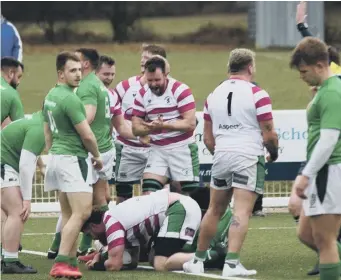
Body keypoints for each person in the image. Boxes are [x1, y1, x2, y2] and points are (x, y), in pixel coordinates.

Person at [183, 48, 278, 277]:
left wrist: (221, 151)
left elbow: (207, 138)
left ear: (229, 68)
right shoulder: (258, 94)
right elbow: (269, 134)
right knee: (242, 211)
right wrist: (273, 154)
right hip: (247, 155)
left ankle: (197, 260)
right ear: (250, 67)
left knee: (215, 209)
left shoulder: (213, 95)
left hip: (222, 156)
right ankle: (232, 264)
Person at [43, 51, 103, 279]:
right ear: (61, 73)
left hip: (57, 157)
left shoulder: (51, 95)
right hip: (72, 158)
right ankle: (60, 263)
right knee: (82, 212)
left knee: (69, 213)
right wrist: (96, 156)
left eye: (80, 69)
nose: (78, 74)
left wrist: (51, 152)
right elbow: (87, 135)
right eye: (72, 70)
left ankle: (68, 262)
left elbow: (46, 129)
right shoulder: (70, 98)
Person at [290, 37, 341, 280]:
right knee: (306, 234)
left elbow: (329, 139)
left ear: (320, 65)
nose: (302, 77)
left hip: (330, 171)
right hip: (321, 172)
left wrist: (306, 174)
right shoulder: (324, 92)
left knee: (324, 239)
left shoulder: (332, 93)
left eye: (304, 71)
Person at [80, 189, 201, 272]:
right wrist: (100, 256)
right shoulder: (114, 217)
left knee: (160, 263)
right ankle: (200, 256)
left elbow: (114, 265)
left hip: (177, 208)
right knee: (153, 257)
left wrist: (96, 264)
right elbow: (132, 261)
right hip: (179, 207)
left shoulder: (112, 224)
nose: (93, 237)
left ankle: (208, 256)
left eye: (89, 233)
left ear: (93, 226)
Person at [132, 56, 199, 195]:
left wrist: (164, 126)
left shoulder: (180, 90)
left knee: (189, 196)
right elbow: (136, 128)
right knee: (148, 194)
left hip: (182, 148)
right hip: (157, 149)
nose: (153, 84)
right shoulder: (142, 93)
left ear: (165, 74)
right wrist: (150, 128)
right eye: (150, 80)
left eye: (157, 80)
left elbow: (190, 123)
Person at [113, 44, 167, 203]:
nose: (142, 62)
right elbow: (115, 116)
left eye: (147, 59)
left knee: (152, 195)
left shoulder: (170, 88)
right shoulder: (124, 87)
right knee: (123, 196)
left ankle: (152, 226)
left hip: (155, 150)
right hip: (128, 149)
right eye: (142, 58)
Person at [1, 111, 46, 274]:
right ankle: (10, 261)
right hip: (4, 165)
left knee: (6, 212)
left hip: (4, 163)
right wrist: (27, 199)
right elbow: (26, 166)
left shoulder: (35, 121)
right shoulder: (39, 128)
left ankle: (5, 256)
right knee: (18, 211)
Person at [1, 57, 24, 125]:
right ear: (11, 73)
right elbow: (20, 127)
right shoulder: (12, 93)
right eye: (18, 77)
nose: (18, 82)